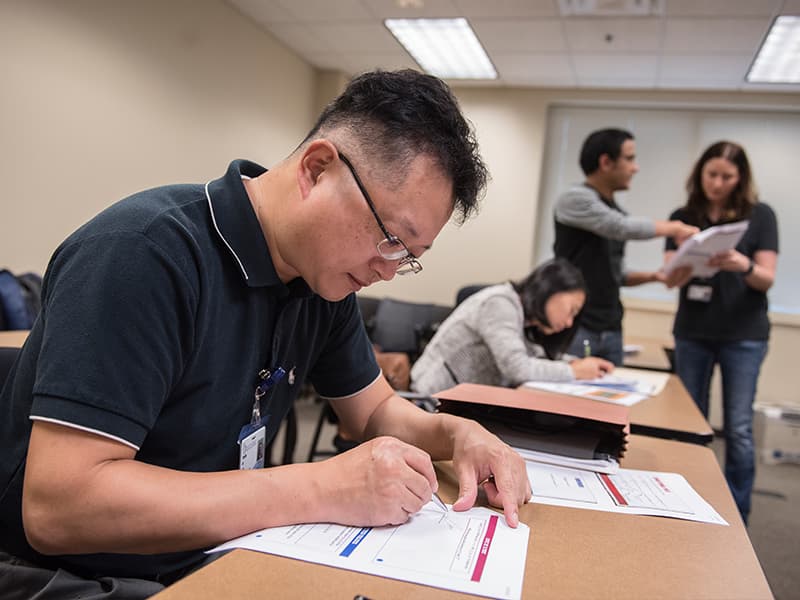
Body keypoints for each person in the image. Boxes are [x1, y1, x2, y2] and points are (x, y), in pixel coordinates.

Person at [0, 69, 531, 598]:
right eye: (392, 238)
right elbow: (59, 508)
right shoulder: (143, 254)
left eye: (408, 257)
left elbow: (371, 412)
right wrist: (319, 486)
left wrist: (456, 434)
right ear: (318, 168)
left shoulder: (324, 284)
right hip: (73, 574)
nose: (388, 271)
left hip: (209, 550)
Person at [664, 141, 778, 524]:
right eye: (711, 174)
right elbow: (669, 278)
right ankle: (686, 505)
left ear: (740, 178)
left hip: (744, 335)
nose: (717, 183)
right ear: (700, 174)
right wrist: (688, 258)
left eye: (727, 176)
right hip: (694, 331)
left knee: (739, 429)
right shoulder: (682, 216)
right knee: (687, 424)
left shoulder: (760, 216)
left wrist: (741, 264)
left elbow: (766, 279)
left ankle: (737, 515)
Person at [553, 128, 698, 365]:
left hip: (610, 326)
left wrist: (655, 276)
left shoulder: (616, 212)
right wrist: (675, 228)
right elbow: (619, 227)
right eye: (629, 159)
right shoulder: (574, 199)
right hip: (577, 325)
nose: (636, 167)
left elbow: (616, 273)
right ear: (606, 162)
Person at [410, 258, 614, 395]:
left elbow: (536, 356)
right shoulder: (500, 303)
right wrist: (574, 372)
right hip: (431, 400)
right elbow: (517, 368)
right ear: (551, 289)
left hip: (464, 403)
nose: (569, 322)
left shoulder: (525, 319)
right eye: (571, 310)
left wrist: (578, 364)